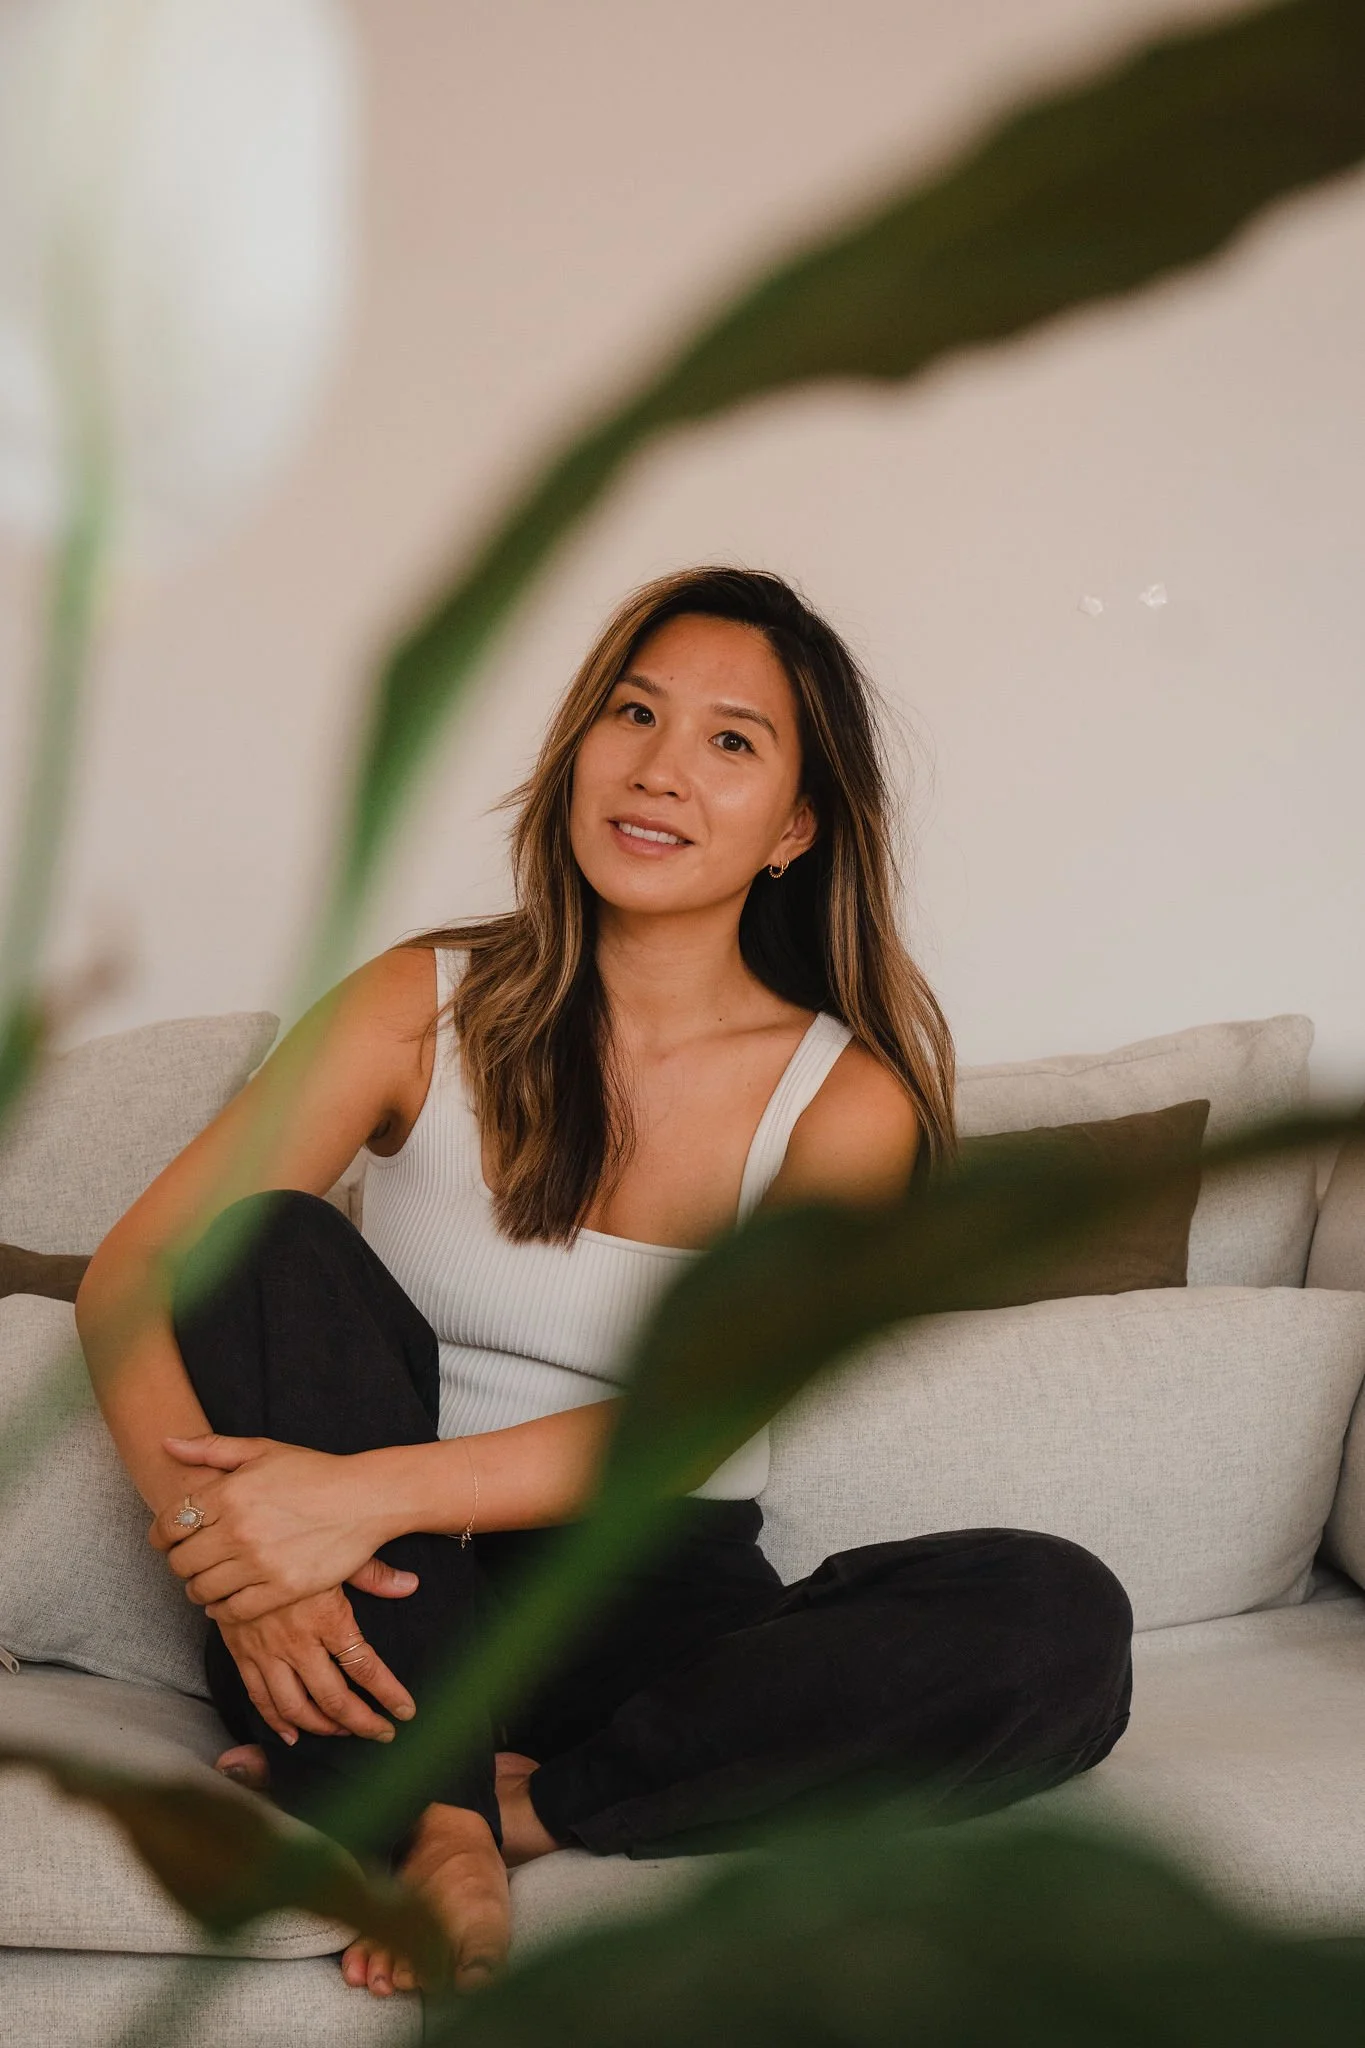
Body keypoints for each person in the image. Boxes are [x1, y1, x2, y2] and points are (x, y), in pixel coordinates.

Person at [75, 567, 1132, 2001]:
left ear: (796, 829)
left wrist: (359, 1495)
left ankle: (520, 1805)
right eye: (633, 713)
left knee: (1055, 1618)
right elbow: (136, 1270)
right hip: (375, 1603)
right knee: (265, 1242)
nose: (658, 769)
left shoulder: (846, 1101)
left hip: (637, 1602)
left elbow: (693, 1424)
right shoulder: (417, 1002)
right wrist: (231, 1552)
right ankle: (434, 1824)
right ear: (577, 747)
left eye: (731, 742)